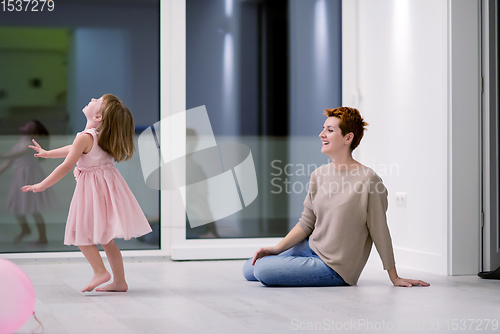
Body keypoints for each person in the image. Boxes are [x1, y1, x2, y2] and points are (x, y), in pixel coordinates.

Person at [243, 107, 430, 288]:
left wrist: (394, 276)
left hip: (334, 267)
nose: (321, 134)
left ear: (348, 138)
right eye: (323, 129)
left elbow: (379, 229)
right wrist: (276, 249)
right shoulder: (318, 174)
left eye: (329, 130)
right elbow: (306, 223)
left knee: (262, 270)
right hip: (312, 248)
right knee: (249, 269)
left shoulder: (369, 179)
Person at [22, 94, 152, 292]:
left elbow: (67, 165)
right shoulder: (100, 136)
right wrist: (48, 153)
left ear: (99, 117)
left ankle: (100, 272)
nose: (92, 99)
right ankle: (119, 282)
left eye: (97, 101)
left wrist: (43, 184)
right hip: (108, 190)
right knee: (107, 240)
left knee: (79, 231)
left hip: (92, 191)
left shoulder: (85, 137)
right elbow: (74, 149)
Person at [0, 120, 56, 244]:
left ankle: (42, 237)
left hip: (30, 177)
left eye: (30, 126)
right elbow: (7, 163)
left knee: (34, 208)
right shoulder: (17, 145)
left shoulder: (30, 145)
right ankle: (25, 229)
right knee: (17, 207)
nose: (26, 125)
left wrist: (3, 156)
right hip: (20, 178)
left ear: (35, 133)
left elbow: (17, 154)